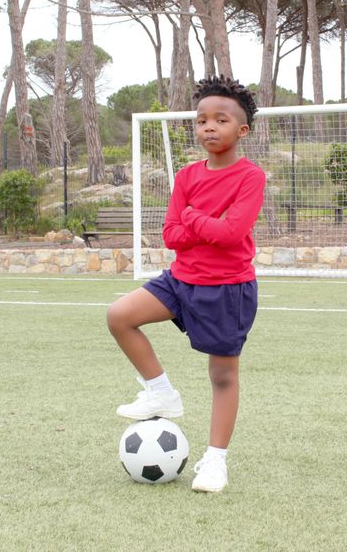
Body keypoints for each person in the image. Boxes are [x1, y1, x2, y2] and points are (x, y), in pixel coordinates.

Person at [106, 75, 265, 493]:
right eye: (201, 120)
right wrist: (203, 223)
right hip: (180, 279)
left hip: (226, 287)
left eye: (220, 120)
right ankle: (161, 393)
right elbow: (170, 235)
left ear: (241, 130)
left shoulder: (251, 178)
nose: (209, 127)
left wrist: (194, 218)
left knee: (222, 375)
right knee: (120, 315)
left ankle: (215, 461)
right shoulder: (188, 177)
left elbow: (231, 235)